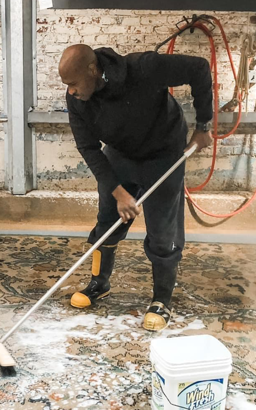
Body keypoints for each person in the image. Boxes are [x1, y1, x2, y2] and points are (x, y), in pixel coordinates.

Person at [59, 44, 213, 331]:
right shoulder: (78, 100)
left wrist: (203, 126)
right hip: (120, 154)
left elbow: (199, 68)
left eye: (73, 84)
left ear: (93, 70)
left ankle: (161, 300)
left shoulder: (143, 68)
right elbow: (88, 148)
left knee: (162, 230)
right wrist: (119, 193)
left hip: (163, 152)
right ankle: (99, 283)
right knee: (107, 221)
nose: (70, 91)